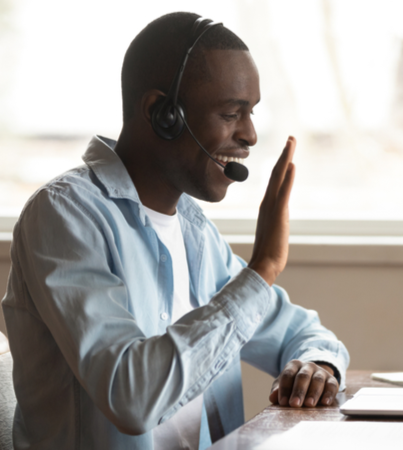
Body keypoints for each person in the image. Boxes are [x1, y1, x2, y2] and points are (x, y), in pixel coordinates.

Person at [2, 11, 349, 450]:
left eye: (251, 113)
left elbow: (304, 334)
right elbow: (131, 397)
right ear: (161, 114)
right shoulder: (64, 217)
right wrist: (261, 270)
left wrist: (318, 366)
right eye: (230, 113)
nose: (251, 135)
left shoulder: (193, 231)